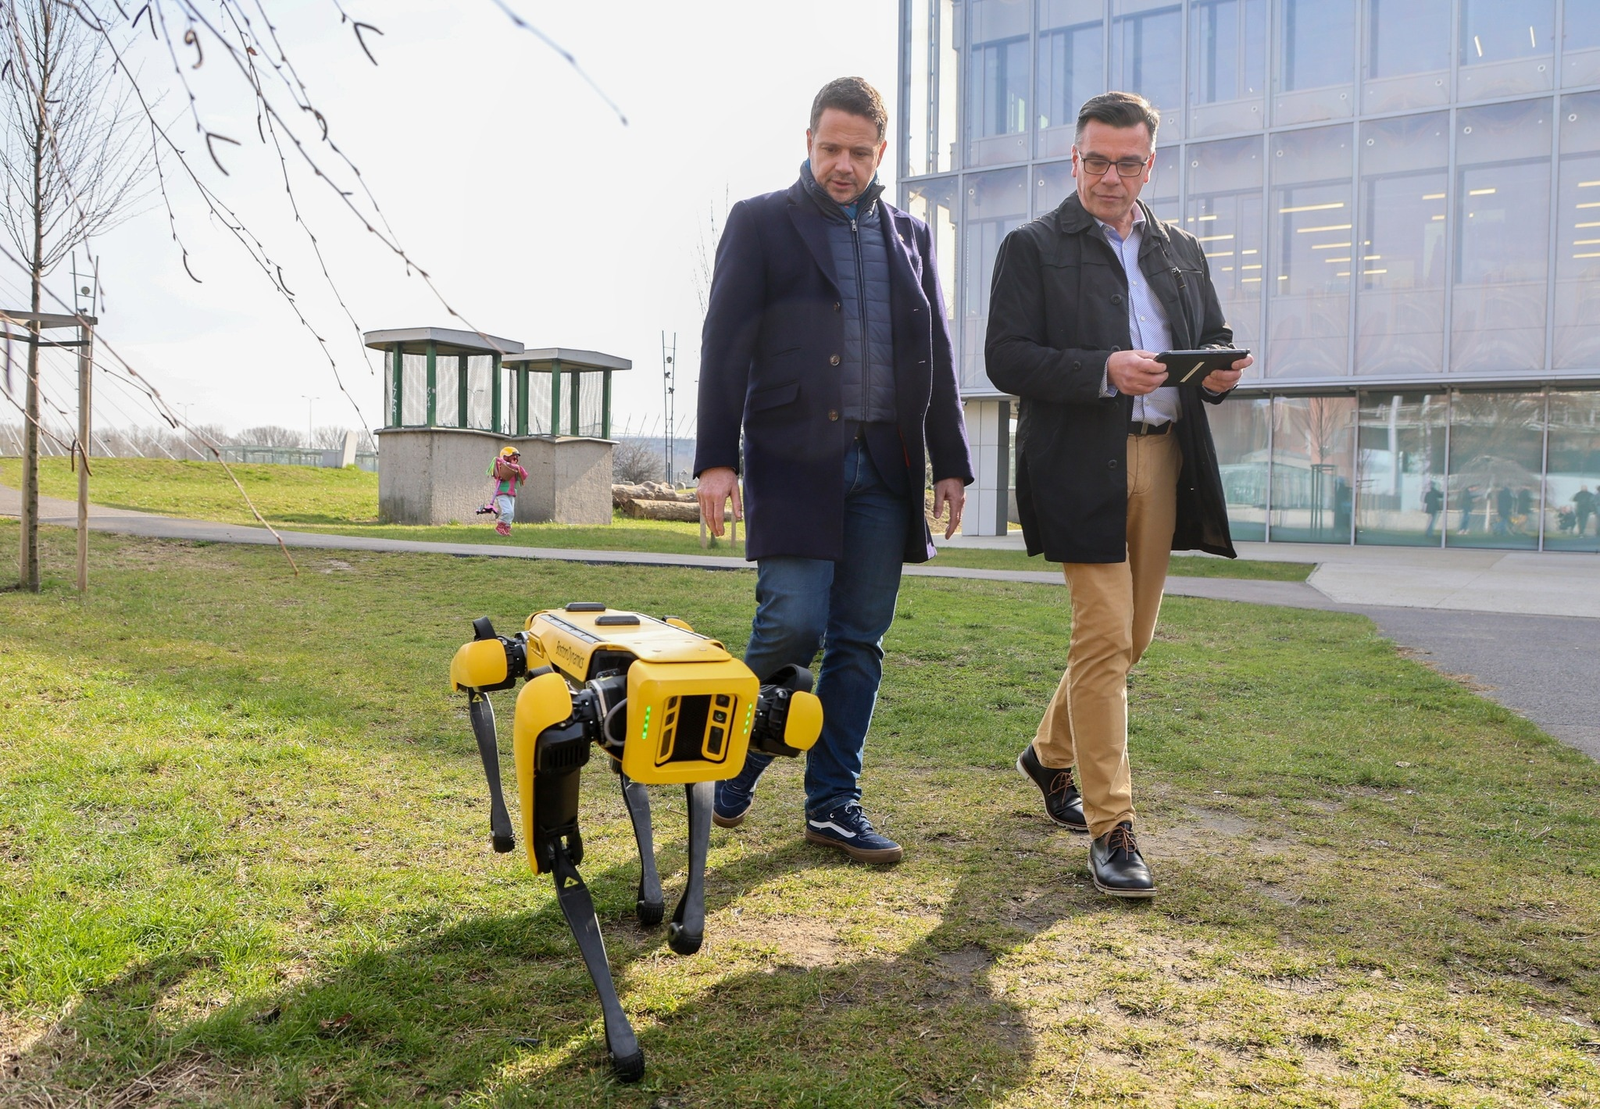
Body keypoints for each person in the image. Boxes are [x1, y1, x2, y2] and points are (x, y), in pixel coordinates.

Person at [695, 76, 973, 865]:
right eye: (829, 149)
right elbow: (724, 343)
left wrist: (951, 461)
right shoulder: (760, 222)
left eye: (857, 152)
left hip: (886, 465)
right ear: (809, 143)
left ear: (880, 151)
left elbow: (936, 352)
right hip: (792, 463)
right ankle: (735, 758)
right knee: (793, 623)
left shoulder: (911, 235)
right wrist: (716, 458)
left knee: (859, 640)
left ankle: (833, 802)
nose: (842, 165)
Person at [983, 91, 1250, 899]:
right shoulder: (1031, 247)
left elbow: (1209, 341)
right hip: (1077, 465)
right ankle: (1113, 827)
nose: (1109, 176)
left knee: (1130, 638)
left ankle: (1047, 754)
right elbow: (1006, 358)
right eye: (1095, 160)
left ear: (1149, 165)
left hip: (1166, 460)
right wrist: (1103, 369)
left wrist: (1219, 374)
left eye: (1126, 163)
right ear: (1074, 159)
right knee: (1103, 639)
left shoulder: (1182, 250)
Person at [487, 445, 526, 537]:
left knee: (511, 513)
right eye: (513, 457)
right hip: (502, 493)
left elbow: (524, 474)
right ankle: (500, 526)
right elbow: (497, 465)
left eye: (516, 458)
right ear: (505, 457)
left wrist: (515, 467)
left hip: (512, 493)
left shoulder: (516, 468)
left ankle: (506, 527)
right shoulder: (501, 466)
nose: (515, 459)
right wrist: (508, 463)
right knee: (508, 511)